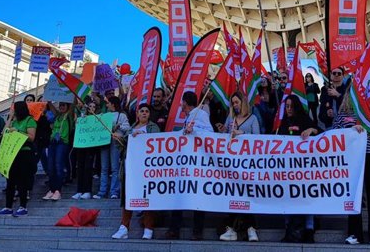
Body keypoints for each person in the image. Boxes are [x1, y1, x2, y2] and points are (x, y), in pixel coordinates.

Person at [334, 98, 370, 245]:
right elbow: (335, 135)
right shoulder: (342, 115)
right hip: (351, 157)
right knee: (354, 196)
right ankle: (354, 233)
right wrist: (350, 131)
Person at [165, 91, 213, 240]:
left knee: (197, 197)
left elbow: (209, 133)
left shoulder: (201, 114)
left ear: (185, 102)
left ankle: (197, 231)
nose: (180, 104)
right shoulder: (190, 117)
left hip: (198, 164)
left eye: (181, 101)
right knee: (178, 194)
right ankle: (174, 229)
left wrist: (195, 131)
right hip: (186, 164)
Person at [111, 103, 160, 240]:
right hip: (131, 169)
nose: (144, 113)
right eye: (142, 111)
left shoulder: (153, 128)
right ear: (137, 114)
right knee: (128, 196)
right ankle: (124, 227)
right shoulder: (131, 129)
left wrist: (142, 136)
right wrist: (119, 139)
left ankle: (148, 228)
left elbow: (157, 143)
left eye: (147, 111)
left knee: (147, 197)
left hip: (147, 169)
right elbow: (123, 148)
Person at [217, 92, 260, 242]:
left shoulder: (253, 118)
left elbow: (258, 138)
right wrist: (223, 131)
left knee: (246, 195)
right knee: (234, 195)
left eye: (237, 102)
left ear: (243, 103)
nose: (235, 105)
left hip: (247, 164)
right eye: (233, 103)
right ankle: (240, 229)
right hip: (232, 165)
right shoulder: (230, 118)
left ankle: (248, 228)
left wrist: (242, 133)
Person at [278, 95, 321, 243]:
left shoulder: (304, 119)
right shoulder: (283, 122)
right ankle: (289, 229)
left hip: (304, 168)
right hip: (288, 168)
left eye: (291, 106)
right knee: (288, 197)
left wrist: (311, 130)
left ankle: (309, 229)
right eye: (287, 106)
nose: (289, 109)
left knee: (306, 198)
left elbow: (320, 132)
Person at [0, 101, 37, 217]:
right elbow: (4, 132)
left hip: (25, 153)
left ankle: (23, 206)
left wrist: (18, 132)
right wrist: (10, 118)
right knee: (10, 181)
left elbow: (31, 137)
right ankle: (8, 206)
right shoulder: (14, 121)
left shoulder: (30, 120)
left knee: (22, 181)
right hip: (12, 153)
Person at [95, 96, 130, 199]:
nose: (107, 105)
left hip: (115, 143)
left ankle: (114, 191)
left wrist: (119, 127)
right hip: (104, 142)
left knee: (115, 168)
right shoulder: (105, 115)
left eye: (108, 103)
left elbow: (128, 128)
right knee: (104, 168)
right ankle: (102, 191)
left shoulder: (122, 115)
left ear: (113, 104)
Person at [43, 102, 72, 201]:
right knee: (50, 167)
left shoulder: (69, 116)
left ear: (68, 106)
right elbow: (51, 106)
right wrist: (49, 100)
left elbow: (73, 105)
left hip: (62, 143)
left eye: (64, 105)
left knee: (58, 165)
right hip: (53, 142)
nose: (62, 107)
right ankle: (51, 189)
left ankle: (58, 190)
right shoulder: (57, 116)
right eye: (60, 105)